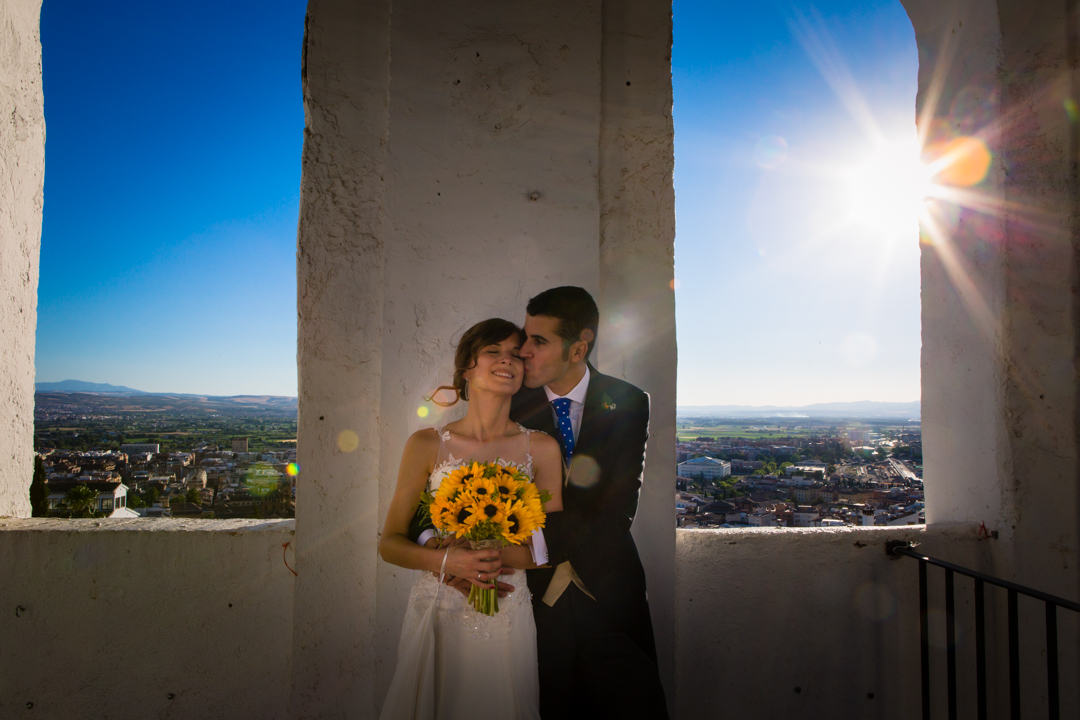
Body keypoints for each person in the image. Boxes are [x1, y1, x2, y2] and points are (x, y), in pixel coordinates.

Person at [378, 318, 563, 720]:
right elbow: (389, 542)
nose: (507, 360)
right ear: (466, 369)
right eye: (492, 351)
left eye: (516, 354)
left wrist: (488, 556)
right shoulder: (427, 444)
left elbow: (552, 548)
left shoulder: (543, 448)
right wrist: (447, 562)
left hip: (507, 613)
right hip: (438, 610)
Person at [511, 286, 667, 719]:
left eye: (538, 341)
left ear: (578, 348)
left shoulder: (629, 402)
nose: (523, 351)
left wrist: (529, 547)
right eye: (526, 337)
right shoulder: (510, 405)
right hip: (533, 598)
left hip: (608, 590)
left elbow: (617, 510)